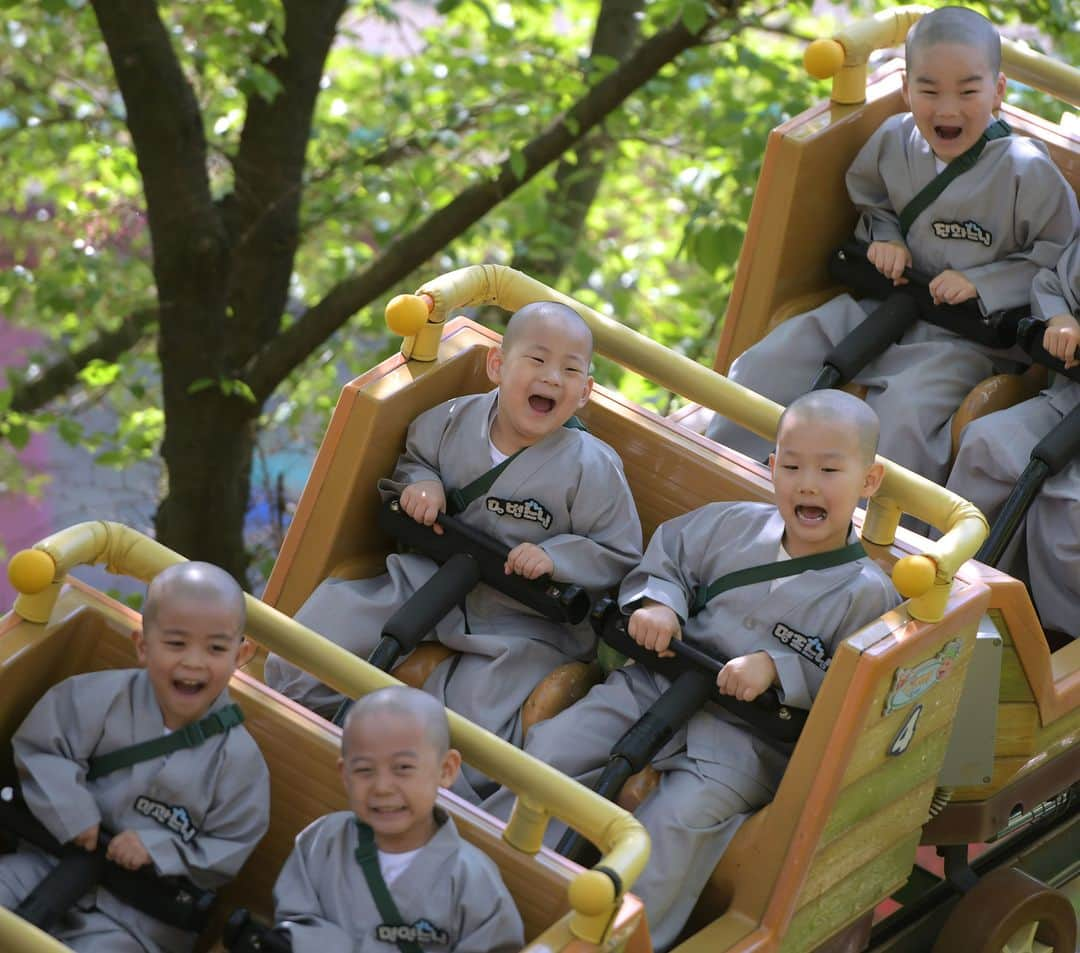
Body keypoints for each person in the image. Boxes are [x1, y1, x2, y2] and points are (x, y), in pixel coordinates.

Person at [483, 390, 901, 950]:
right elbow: (669, 560)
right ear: (772, 468)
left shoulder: (869, 595)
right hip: (652, 687)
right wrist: (660, 604)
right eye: (794, 467)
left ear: (868, 481)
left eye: (830, 470)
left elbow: (855, 689)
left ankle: (617, 938)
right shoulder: (730, 526)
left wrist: (779, 669)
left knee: (678, 822)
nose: (808, 484)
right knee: (557, 748)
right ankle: (489, 878)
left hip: (739, 741)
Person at [265, 301, 643, 797]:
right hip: (432, 571)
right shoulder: (451, 420)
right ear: (497, 365)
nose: (552, 377)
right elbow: (415, 461)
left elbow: (619, 551)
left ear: (586, 392)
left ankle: (440, 793)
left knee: (480, 714)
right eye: (537, 359)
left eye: (571, 370)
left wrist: (558, 558)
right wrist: (421, 485)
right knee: (334, 622)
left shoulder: (593, 467)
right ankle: (286, 716)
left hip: (524, 619)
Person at [706, 6, 1079, 488]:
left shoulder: (1027, 171)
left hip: (965, 335)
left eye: (968, 92)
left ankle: (869, 535)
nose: (947, 110)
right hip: (880, 301)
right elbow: (873, 202)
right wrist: (887, 237)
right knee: (772, 359)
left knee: (903, 415)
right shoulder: (893, 141)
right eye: (929, 91)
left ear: (998, 92)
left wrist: (981, 282)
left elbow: (1054, 256)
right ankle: (720, 473)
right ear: (906, 90)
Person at [0, 561, 270, 952]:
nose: (194, 662)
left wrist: (158, 849)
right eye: (176, 643)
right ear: (143, 645)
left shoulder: (241, 762)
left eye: (216, 648)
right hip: (49, 860)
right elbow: (43, 748)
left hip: (137, 914)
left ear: (240, 654)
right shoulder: (98, 697)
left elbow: (231, 843)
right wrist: (75, 814)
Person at [268, 686, 524, 953]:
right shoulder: (324, 839)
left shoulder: (473, 880)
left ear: (446, 770)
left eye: (403, 768)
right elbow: (293, 922)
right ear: (345, 774)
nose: (382, 787)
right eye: (364, 770)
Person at [945, 235, 1080, 641]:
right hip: (1069, 398)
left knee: (1066, 512)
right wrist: (1061, 321)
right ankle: (947, 586)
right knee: (986, 443)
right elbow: (1054, 283)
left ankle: (1057, 639)